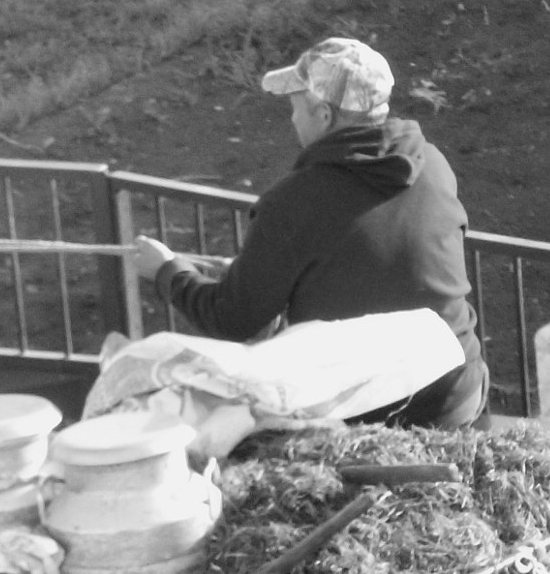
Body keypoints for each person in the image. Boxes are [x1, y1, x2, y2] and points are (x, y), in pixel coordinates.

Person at [132, 37, 489, 429]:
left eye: (295, 106)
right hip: (458, 390)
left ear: (323, 114)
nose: (291, 119)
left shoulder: (293, 202)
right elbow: (379, 256)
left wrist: (167, 272)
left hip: (370, 412)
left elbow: (233, 319)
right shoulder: (433, 164)